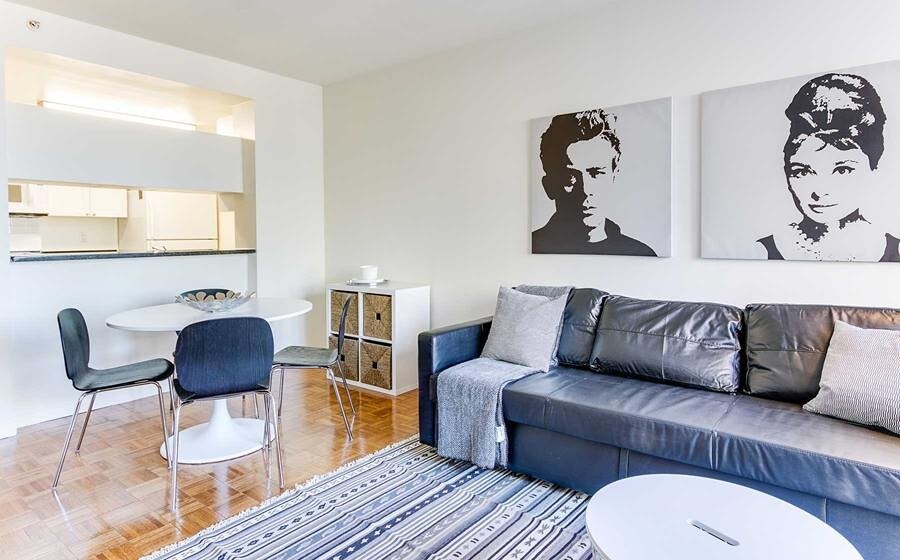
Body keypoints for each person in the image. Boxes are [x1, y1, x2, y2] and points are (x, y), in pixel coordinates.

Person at [758, 73, 900, 261]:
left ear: (873, 168)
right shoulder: (761, 252)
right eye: (802, 172)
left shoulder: (895, 252)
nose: (819, 192)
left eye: (842, 170)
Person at [532, 109, 657, 256]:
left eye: (596, 173)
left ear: (614, 176)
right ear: (549, 186)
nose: (586, 190)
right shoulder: (533, 246)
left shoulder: (641, 253)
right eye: (570, 177)